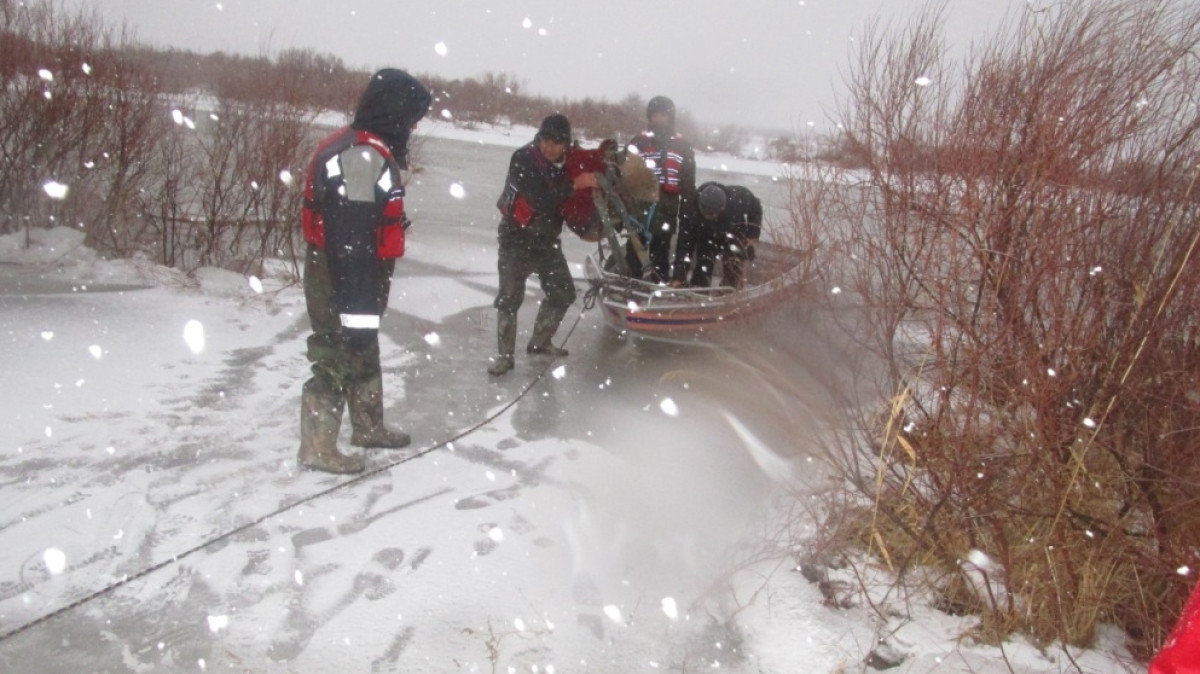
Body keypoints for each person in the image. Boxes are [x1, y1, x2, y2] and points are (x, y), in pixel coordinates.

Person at [297, 68, 431, 473]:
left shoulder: (368, 147)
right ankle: (317, 448)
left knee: (363, 345)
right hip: (342, 272)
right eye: (410, 118)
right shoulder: (361, 156)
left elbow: (365, 221)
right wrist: (356, 300)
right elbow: (350, 236)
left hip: (358, 269)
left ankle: (368, 427)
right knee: (336, 350)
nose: (411, 127)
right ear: (392, 111)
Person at [488, 113, 597, 376]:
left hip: (546, 242)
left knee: (563, 294)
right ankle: (504, 357)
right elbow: (540, 198)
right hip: (516, 239)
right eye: (545, 140)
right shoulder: (523, 158)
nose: (548, 147)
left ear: (565, 144)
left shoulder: (570, 162)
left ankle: (539, 343)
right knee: (509, 300)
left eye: (556, 142)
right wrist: (575, 183)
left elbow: (573, 200)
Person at [624, 95, 696, 282]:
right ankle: (629, 289)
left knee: (660, 255)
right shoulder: (638, 142)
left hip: (667, 209)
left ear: (670, 117)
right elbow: (622, 172)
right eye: (655, 115)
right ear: (650, 117)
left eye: (663, 115)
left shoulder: (683, 147)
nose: (659, 119)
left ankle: (656, 292)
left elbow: (688, 186)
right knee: (633, 253)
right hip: (639, 208)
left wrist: (687, 213)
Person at [671, 181, 763, 289]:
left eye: (713, 214)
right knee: (704, 263)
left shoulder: (738, 198)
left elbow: (756, 208)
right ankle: (699, 291)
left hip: (733, 234)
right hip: (706, 235)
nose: (708, 217)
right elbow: (684, 245)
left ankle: (729, 292)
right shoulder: (690, 209)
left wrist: (752, 236)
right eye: (706, 214)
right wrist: (679, 276)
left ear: (722, 208)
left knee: (733, 266)